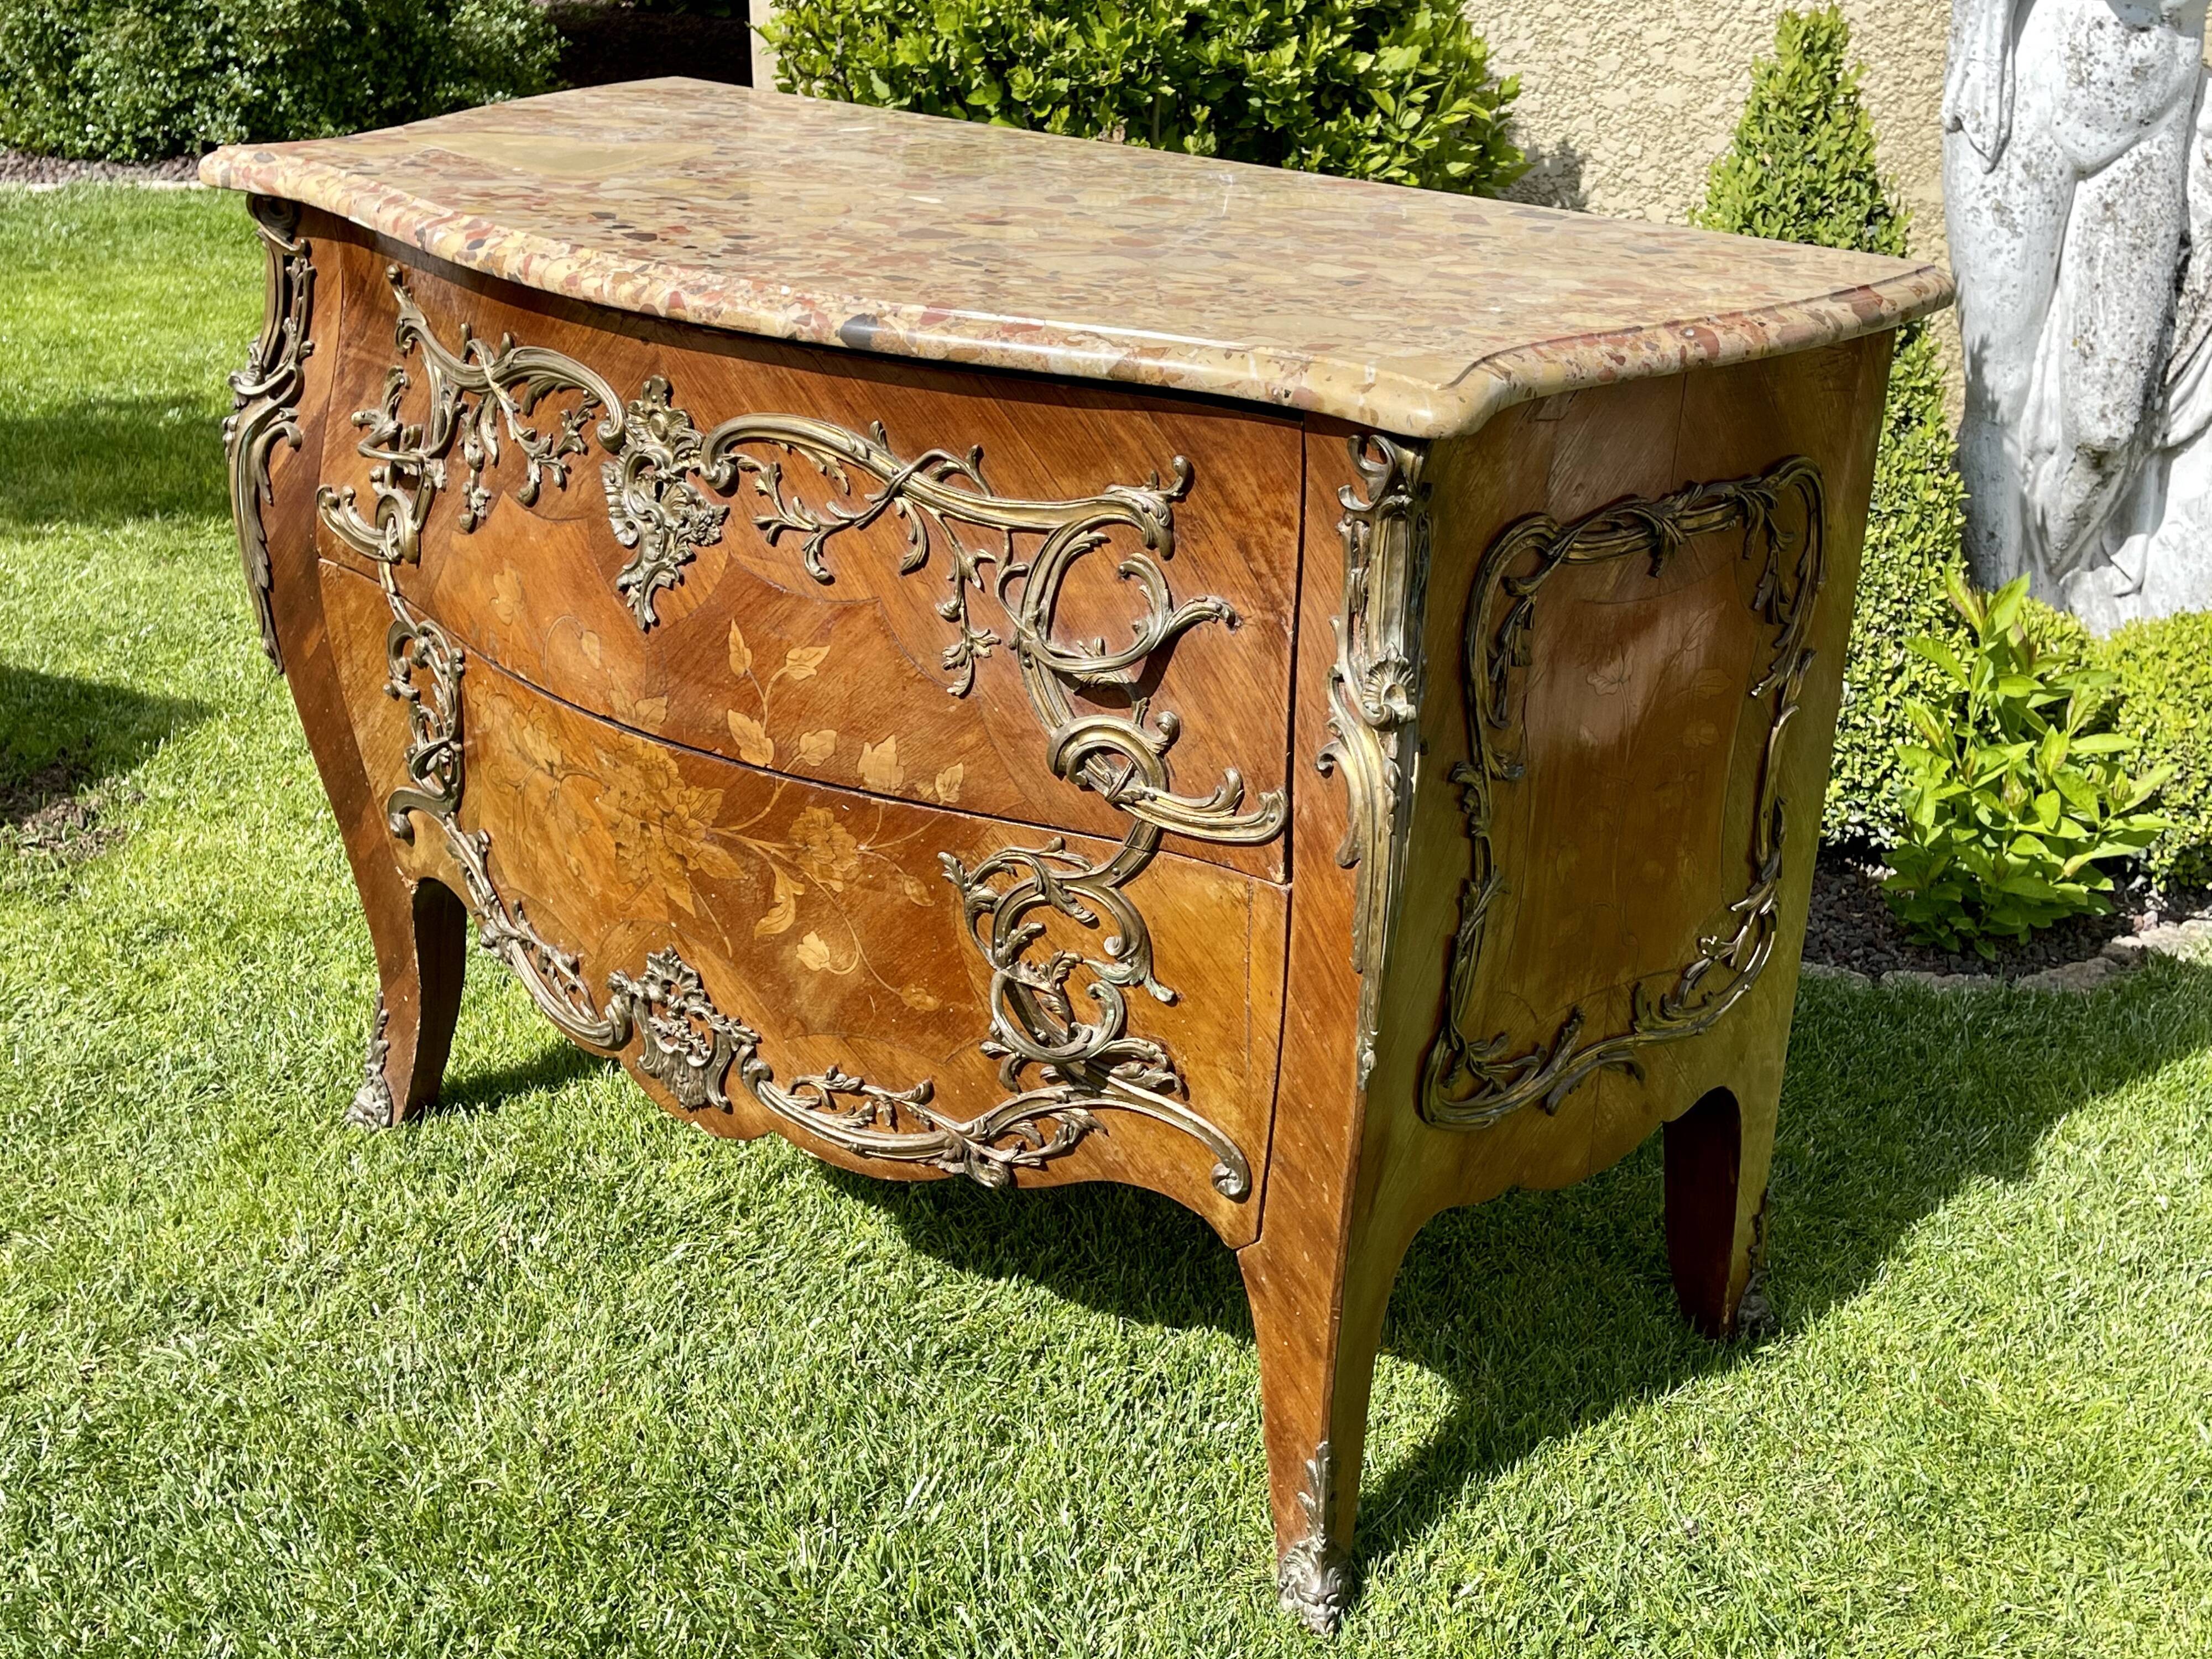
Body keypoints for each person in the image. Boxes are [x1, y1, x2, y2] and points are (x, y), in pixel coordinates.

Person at [1944, 0, 2210, 630]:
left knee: (2106, 432)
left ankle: (2036, 610)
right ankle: (1998, 641)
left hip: (2153, 114)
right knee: (1997, 396)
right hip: (2026, 88)